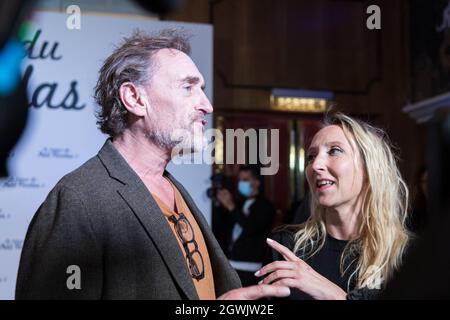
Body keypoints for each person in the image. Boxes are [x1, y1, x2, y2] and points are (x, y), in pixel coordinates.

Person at [15, 29, 290, 300]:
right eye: (188, 87)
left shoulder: (176, 191)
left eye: (202, 90)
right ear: (134, 99)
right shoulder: (79, 200)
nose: (206, 105)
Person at [257, 112, 411, 300]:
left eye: (335, 151)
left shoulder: (408, 256)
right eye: (311, 157)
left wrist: (333, 295)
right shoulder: (286, 247)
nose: (315, 165)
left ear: (369, 168)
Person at [216, 165, 276, 286]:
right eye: (240, 180)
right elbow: (222, 229)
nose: (241, 184)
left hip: (252, 269)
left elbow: (251, 228)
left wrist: (231, 207)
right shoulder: (238, 203)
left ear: (257, 182)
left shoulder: (266, 206)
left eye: (245, 180)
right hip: (231, 265)